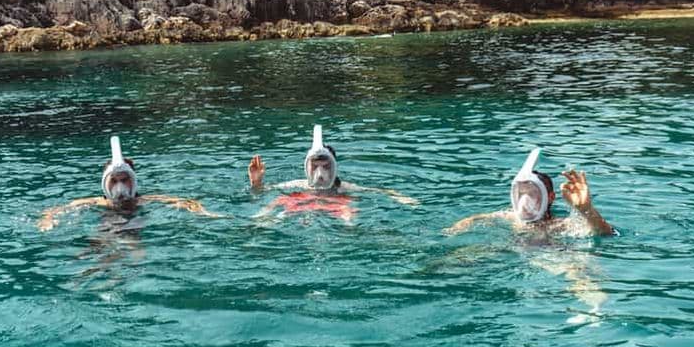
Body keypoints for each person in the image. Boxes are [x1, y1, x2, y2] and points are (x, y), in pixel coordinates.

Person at [38, 136, 219, 231]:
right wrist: (47, 220)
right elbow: (57, 209)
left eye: (124, 180)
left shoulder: (143, 200)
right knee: (94, 251)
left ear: (133, 181)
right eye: (114, 181)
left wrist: (201, 211)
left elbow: (187, 201)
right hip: (106, 227)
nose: (120, 186)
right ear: (105, 183)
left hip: (133, 228)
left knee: (132, 253)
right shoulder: (97, 202)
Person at [248, 125, 419, 222]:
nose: (320, 172)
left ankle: (349, 232)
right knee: (277, 204)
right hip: (304, 204)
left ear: (335, 167)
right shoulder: (300, 185)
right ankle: (256, 225)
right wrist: (256, 183)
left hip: (335, 204)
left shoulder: (344, 187)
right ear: (307, 167)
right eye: (315, 166)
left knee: (349, 216)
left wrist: (401, 197)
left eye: (326, 166)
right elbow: (261, 192)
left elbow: (379, 191)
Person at [444, 148, 614, 236]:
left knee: (576, 270)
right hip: (511, 250)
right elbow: (478, 218)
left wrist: (586, 209)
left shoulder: (559, 225)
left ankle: (592, 299)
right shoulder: (511, 217)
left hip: (551, 254)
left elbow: (605, 233)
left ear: (550, 198)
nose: (525, 200)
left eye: (533, 194)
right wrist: (460, 226)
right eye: (521, 193)